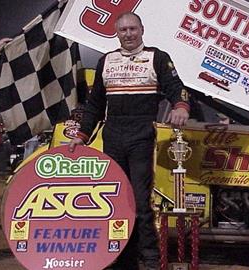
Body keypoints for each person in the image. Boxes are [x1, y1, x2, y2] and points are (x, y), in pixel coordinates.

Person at [69, 12, 190, 270]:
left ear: (142, 29)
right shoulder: (106, 61)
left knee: (138, 199)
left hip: (141, 133)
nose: (128, 34)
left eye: (132, 29)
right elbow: (94, 105)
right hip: (112, 134)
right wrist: (81, 136)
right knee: (115, 200)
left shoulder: (157, 57)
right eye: (123, 30)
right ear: (116, 32)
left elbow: (175, 86)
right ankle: (121, 255)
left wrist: (181, 107)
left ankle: (150, 258)